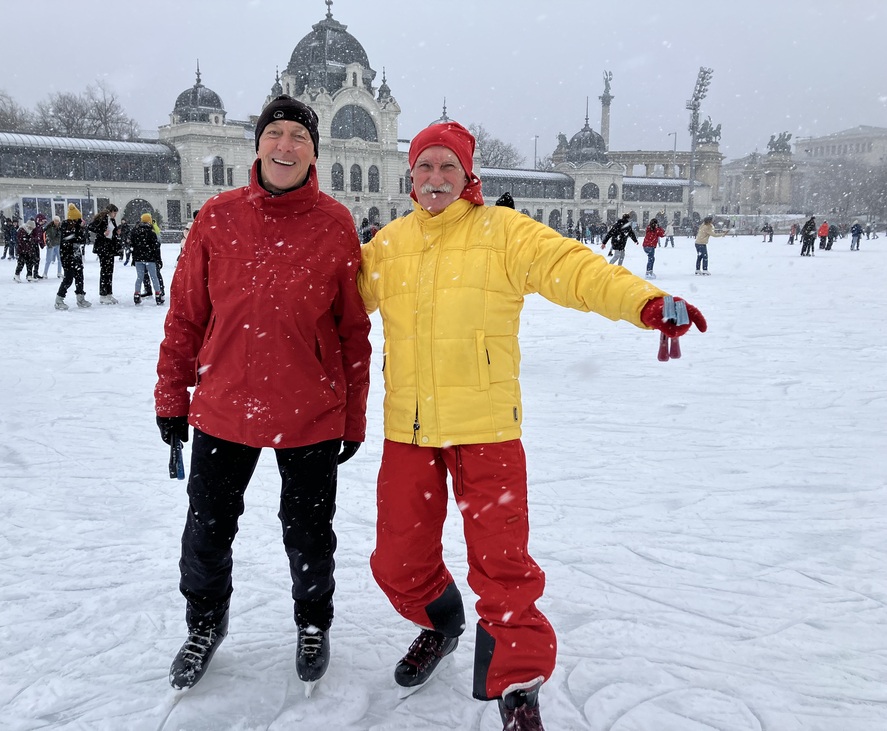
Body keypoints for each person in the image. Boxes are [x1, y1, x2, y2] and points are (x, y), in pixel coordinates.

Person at [356, 121, 706, 731]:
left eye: (447, 167)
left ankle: (517, 685)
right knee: (396, 561)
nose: (435, 179)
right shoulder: (389, 245)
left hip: (487, 429)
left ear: (469, 175)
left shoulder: (503, 233)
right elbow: (331, 303)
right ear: (410, 177)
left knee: (504, 566)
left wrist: (645, 303)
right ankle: (441, 622)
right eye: (425, 168)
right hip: (408, 432)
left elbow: (575, 269)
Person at [154, 95, 372, 692]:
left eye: (298, 136)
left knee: (308, 533)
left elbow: (353, 330)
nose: (284, 145)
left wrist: (352, 416)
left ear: (314, 152)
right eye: (274, 133)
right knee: (207, 529)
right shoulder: (217, 217)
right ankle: (204, 622)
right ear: (256, 144)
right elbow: (186, 317)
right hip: (224, 406)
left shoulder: (335, 224)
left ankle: (312, 622)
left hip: (311, 412)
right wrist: (172, 396)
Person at [55, 204, 92, 310]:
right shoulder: (65, 228)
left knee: (80, 278)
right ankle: (59, 300)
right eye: (78, 219)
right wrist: (79, 230)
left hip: (76, 257)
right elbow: (71, 239)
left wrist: (82, 229)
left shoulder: (76, 228)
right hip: (67, 257)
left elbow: (83, 240)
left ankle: (80, 298)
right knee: (68, 279)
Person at [88, 203, 120, 304]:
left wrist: (116, 233)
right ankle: (103, 294)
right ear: (110, 212)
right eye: (114, 213)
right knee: (105, 271)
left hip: (110, 247)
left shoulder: (112, 220)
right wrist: (102, 232)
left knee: (110, 271)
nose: (115, 215)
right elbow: (91, 227)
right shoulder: (102, 219)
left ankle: (109, 294)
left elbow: (112, 232)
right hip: (103, 248)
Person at [129, 213, 163, 305]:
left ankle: (137, 294)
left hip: (138, 258)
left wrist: (134, 258)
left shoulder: (135, 232)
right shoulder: (151, 233)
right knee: (154, 277)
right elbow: (156, 248)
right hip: (150, 258)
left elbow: (132, 246)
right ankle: (158, 295)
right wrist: (158, 259)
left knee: (139, 277)